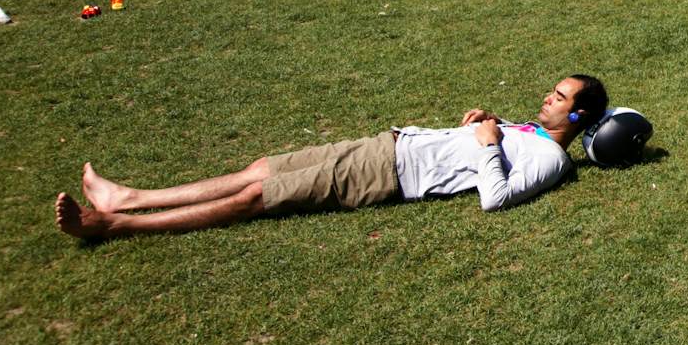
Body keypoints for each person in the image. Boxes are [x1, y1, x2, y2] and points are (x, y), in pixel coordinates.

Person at [54, 76, 611, 240]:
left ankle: (115, 224)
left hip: (390, 174)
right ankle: (131, 196)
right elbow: (487, 144)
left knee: (256, 197)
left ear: (579, 119)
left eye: (559, 98)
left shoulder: (552, 162)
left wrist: (489, 144)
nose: (547, 97)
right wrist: (479, 124)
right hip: (388, 143)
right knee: (259, 169)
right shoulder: (531, 129)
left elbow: (496, 198)